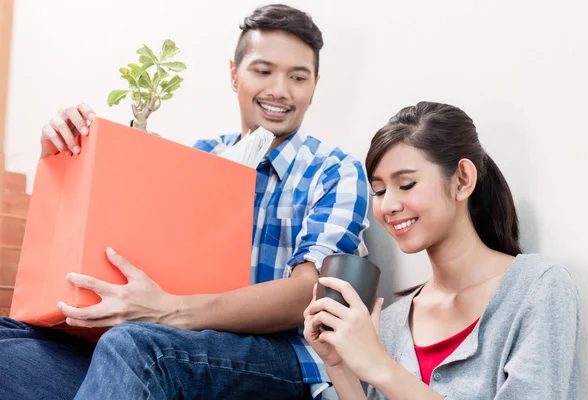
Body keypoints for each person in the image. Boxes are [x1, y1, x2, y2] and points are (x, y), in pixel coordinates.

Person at [0, 4, 369, 399]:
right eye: (263, 71)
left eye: (298, 77)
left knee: (137, 346)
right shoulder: (199, 156)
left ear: (314, 86)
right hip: (172, 349)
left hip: (283, 357)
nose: (279, 89)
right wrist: (62, 156)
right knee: (8, 341)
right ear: (234, 74)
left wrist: (168, 310)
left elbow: (310, 293)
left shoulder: (336, 171)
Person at [303, 101, 580, 399]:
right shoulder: (393, 323)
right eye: (379, 190)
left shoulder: (537, 287)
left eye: (406, 184)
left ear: (462, 179)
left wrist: (381, 366)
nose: (388, 206)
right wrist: (339, 366)